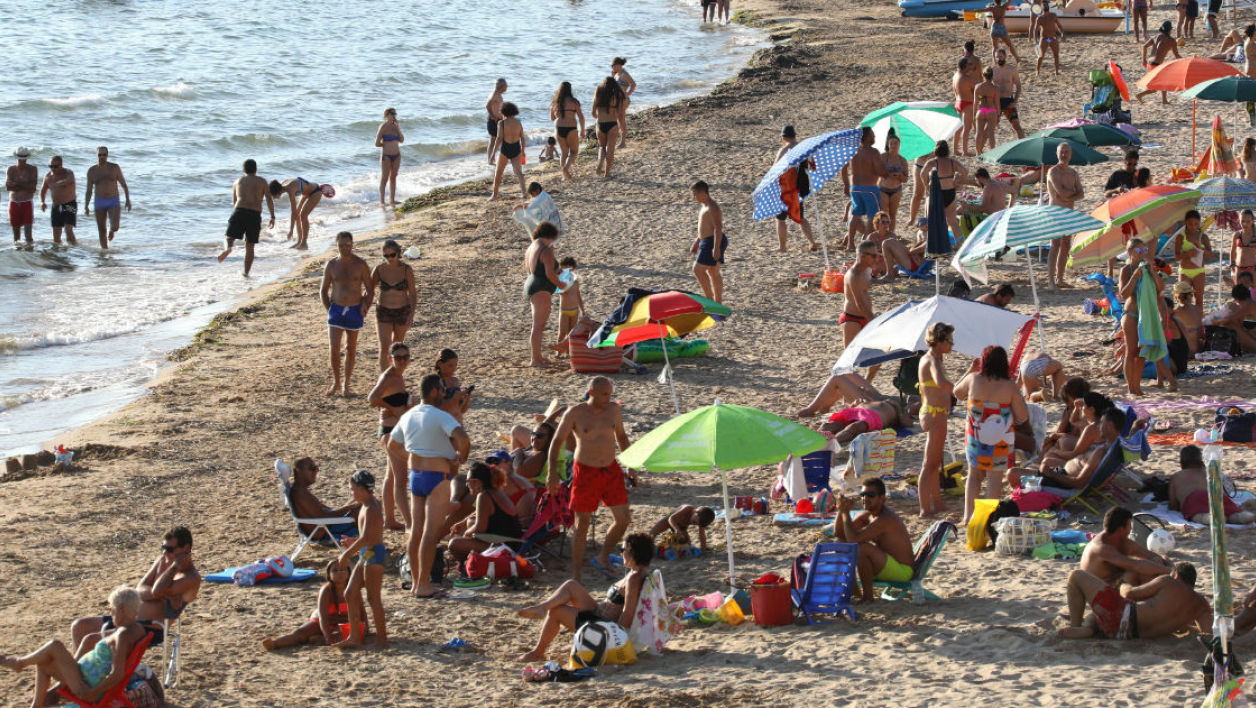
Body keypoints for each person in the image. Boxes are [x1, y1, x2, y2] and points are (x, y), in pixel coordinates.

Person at [389, 373, 470, 598]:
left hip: (417, 474)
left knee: (415, 531)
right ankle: (424, 585)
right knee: (430, 533)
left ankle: (416, 583)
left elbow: (392, 445)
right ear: (434, 391)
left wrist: (411, 458)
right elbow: (463, 438)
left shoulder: (409, 415)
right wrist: (460, 458)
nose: (445, 394)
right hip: (437, 476)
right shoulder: (439, 415)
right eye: (442, 390)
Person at [516, 533, 653, 661]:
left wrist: (616, 639)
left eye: (622, 549)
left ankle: (538, 652)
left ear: (632, 552)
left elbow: (628, 613)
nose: (621, 553)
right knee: (571, 585)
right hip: (600, 614)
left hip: (605, 625)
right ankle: (542, 608)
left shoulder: (634, 579)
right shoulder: (637, 573)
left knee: (556, 611)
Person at [548, 376, 633, 582]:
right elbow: (557, 441)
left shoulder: (613, 410)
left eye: (610, 394)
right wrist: (551, 473)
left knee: (623, 520)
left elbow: (621, 437)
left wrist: (630, 463)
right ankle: (576, 574)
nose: (608, 398)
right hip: (585, 471)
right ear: (592, 392)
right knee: (582, 523)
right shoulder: (575, 413)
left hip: (611, 469)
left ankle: (603, 556)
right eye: (604, 394)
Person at [5, 586, 146, 708]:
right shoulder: (136, 629)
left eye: (112, 609)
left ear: (121, 608)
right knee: (43, 661)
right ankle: (35, 704)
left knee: (55, 645)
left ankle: (19, 663)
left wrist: (93, 692)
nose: (110, 613)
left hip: (87, 686)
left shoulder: (122, 635)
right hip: (89, 678)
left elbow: (117, 673)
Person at [70, 527, 202, 652]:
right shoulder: (164, 559)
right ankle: (81, 674)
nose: (164, 553)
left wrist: (174, 567)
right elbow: (139, 590)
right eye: (163, 548)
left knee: (90, 640)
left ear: (186, 548)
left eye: (169, 549)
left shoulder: (191, 578)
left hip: (148, 628)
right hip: (126, 618)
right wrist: (163, 594)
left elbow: (157, 590)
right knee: (79, 626)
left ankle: (77, 675)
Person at [954, 346, 1028, 524]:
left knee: (973, 476)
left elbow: (957, 392)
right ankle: (985, 519)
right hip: (1000, 440)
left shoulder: (973, 379)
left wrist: (971, 370)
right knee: (994, 479)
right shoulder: (1009, 386)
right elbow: (1023, 416)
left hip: (975, 437)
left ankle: (967, 516)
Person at [1059, 563, 1211, 640]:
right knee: (1096, 615)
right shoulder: (1202, 605)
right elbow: (1208, 633)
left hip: (1121, 616)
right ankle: (1089, 629)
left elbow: (1130, 594)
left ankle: (1076, 625)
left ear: (1176, 576)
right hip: (1130, 635)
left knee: (1075, 576)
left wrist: (1123, 584)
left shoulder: (1168, 582)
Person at [833, 478, 915, 602]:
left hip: (902, 572)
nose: (865, 498)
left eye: (870, 495)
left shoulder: (885, 519)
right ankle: (855, 594)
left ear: (882, 498)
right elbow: (840, 534)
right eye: (863, 494)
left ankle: (868, 597)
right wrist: (841, 510)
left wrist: (845, 514)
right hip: (885, 564)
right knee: (840, 545)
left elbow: (853, 540)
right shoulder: (868, 514)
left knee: (862, 548)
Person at [332, 470, 387, 649]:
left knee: (373, 598)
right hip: (367, 552)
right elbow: (368, 536)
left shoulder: (371, 507)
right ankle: (354, 636)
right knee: (350, 593)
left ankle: (382, 640)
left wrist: (346, 554)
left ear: (363, 489)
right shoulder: (366, 505)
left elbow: (367, 538)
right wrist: (353, 543)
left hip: (373, 554)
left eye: (353, 489)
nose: (352, 493)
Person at [263, 560, 366, 650]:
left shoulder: (354, 590)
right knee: (300, 634)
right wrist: (328, 638)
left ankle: (319, 639)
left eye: (343, 569)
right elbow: (322, 617)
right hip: (323, 620)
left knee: (354, 633)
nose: (340, 573)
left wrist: (366, 629)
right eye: (335, 570)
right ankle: (275, 644)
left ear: (349, 572)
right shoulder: (326, 591)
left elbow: (362, 613)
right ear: (329, 575)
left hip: (343, 621)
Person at [320, 232, 373, 397]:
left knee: (351, 348)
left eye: (348, 244)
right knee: (334, 347)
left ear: (352, 244)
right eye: (342, 245)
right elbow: (323, 290)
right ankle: (336, 381)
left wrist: (365, 305)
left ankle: (346, 384)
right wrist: (329, 308)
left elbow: (370, 290)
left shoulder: (361, 264)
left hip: (354, 309)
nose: (345, 248)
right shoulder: (331, 264)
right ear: (336, 245)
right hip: (336, 309)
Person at [368, 343, 414, 530]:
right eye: (398, 358)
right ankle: (410, 523)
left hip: (393, 430)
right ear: (390, 358)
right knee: (401, 479)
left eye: (405, 357)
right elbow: (372, 398)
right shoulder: (388, 376)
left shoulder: (398, 376)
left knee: (392, 477)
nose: (402, 361)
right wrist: (392, 409)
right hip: (390, 433)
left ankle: (389, 519)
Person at [447, 461, 523, 565]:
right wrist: (464, 522)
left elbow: (480, 527)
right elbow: (479, 512)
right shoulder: (495, 491)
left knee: (454, 544)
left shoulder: (484, 496)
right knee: (470, 522)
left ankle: (466, 567)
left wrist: (466, 533)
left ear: (477, 482)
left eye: (468, 481)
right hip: (511, 541)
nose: (466, 484)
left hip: (506, 546)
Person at [1035, 407, 1125, 493]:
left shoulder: (1101, 452)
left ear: (1110, 426)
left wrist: (1051, 474)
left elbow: (1079, 483)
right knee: (1041, 465)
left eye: (1101, 423)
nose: (1099, 427)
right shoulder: (1112, 447)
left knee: (1026, 476)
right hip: (1063, 473)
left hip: (1065, 482)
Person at [1078, 506, 1170, 586]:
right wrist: (1168, 571)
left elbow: (1149, 555)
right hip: (1100, 593)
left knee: (1155, 562)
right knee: (1135, 573)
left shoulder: (1121, 540)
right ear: (1121, 529)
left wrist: (1163, 560)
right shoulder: (1101, 548)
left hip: (1114, 584)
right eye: (1130, 525)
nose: (1131, 529)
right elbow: (1137, 566)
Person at [917, 322, 955, 517]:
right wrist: (959, 390)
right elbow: (941, 383)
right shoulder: (932, 359)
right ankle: (925, 508)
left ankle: (937, 503)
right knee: (929, 464)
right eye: (949, 340)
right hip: (934, 413)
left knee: (935, 461)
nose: (952, 344)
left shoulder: (935, 358)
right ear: (939, 340)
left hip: (935, 412)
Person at [1117, 237, 1163, 395]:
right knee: (1131, 351)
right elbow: (1123, 294)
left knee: (1142, 353)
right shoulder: (1127, 270)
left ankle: (1137, 387)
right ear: (1130, 252)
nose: (1142, 253)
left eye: (1144, 250)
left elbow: (1160, 289)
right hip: (1131, 314)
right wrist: (1134, 277)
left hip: (1146, 315)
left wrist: (1153, 273)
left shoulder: (1148, 268)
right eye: (1138, 250)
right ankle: (1131, 387)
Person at [216, 159, 276, 276]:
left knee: (229, 238)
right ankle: (246, 273)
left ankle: (228, 248)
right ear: (256, 169)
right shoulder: (262, 181)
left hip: (239, 211)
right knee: (250, 246)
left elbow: (234, 201)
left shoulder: (237, 181)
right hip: (254, 214)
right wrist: (272, 216)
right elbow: (269, 199)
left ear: (243, 169)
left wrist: (236, 216)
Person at [1170, 444, 1256, 524]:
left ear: (1181, 463)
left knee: (1197, 516)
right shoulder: (1208, 472)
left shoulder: (1176, 476)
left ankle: (1209, 518)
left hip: (1193, 498)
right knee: (1231, 513)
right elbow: (1222, 493)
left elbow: (1173, 504)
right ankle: (1244, 517)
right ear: (1201, 461)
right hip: (1215, 495)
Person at [286, 456, 362, 539]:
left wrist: (349, 506)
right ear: (299, 471)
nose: (316, 471)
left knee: (358, 499)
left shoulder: (301, 491)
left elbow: (324, 512)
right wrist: (349, 507)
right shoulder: (300, 493)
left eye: (316, 468)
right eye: (312, 468)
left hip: (327, 526)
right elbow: (322, 516)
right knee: (362, 510)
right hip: (326, 532)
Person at [370, 239, 415, 372]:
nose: (389, 258)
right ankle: (384, 379)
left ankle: (396, 376)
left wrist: (411, 314)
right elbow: (369, 290)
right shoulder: (379, 269)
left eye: (392, 255)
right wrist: (363, 305)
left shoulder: (406, 270)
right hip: (383, 311)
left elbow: (412, 294)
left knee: (397, 347)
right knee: (384, 347)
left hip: (402, 311)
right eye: (386, 256)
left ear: (398, 253)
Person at [841, 126, 889, 248]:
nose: (874, 137)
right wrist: (886, 172)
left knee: (855, 215)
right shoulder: (873, 152)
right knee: (872, 216)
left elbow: (843, 168)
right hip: (870, 189)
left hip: (855, 187)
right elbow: (879, 170)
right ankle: (866, 243)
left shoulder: (853, 150)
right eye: (873, 135)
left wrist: (846, 185)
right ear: (867, 137)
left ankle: (850, 243)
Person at [1046, 143, 1084, 290]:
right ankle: (1051, 281)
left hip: (1068, 213)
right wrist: (1070, 195)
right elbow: (1060, 192)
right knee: (1055, 244)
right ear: (1057, 154)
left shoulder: (1073, 173)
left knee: (1066, 245)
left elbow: (1081, 194)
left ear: (1071, 154)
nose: (1064, 155)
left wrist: (1068, 197)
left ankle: (1060, 278)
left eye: (1066, 152)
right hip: (1055, 213)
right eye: (1062, 152)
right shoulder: (1052, 171)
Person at [524, 221, 561, 367]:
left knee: (537, 325)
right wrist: (561, 284)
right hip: (541, 288)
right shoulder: (545, 249)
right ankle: (535, 359)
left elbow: (533, 270)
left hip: (532, 285)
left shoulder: (530, 248)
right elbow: (549, 274)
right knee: (538, 326)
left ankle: (538, 357)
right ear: (550, 236)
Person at [775, 125, 818, 251]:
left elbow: (775, 169)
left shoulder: (784, 150)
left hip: (786, 188)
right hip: (800, 188)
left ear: (783, 137)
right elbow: (813, 166)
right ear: (794, 135)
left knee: (780, 218)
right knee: (801, 217)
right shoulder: (804, 149)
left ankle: (782, 247)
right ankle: (811, 242)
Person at [918, 140, 969, 245]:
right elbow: (965, 171)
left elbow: (922, 173)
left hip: (937, 193)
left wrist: (926, 185)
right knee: (953, 222)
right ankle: (960, 245)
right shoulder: (952, 162)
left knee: (932, 221)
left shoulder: (932, 162)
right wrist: (958, 181)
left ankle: (933, 244)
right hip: (950, 192)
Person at [83, 146, 130, 248]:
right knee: (101, 229)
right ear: (96, 155)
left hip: (113, 200)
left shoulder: (114, 168)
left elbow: (123, 184)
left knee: (115, 226)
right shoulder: (92, 171)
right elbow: (89, 190)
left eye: (104, 155)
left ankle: (112, 230)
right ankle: (104, 254)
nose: (102, 157)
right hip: (99, 201)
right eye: (100, 155)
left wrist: (128, 200)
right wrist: (86, 206)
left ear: (107, 155)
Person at [690, 180, 726, 304]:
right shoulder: (704, 206)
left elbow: (718, 228)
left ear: (704, 193)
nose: (694, 197)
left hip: (713, 241)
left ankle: (710, 301)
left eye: (695, 194)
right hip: (706, 240)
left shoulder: (713, 207)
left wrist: (716, 248)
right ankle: (717, 302)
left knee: (698, 269)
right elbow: (705, 227)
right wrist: (697, 242)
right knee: (713, 271)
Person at [841, 241, 878, 359]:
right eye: (873, 256)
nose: (876, 258)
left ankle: (868, 378)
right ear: (863, 256)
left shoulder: (865, 271)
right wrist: (874, 321)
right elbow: (859, 304)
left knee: (876, 357)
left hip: (865, 316)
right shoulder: (854, 275)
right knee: (849, 358)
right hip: (852, 319)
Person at [269, 176, 325, 250]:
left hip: (315, 192)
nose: (273, 197)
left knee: (303, 216)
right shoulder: (283, 185)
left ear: (278, 192)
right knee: (298, 215)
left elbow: (293, 212)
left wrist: (291, 230)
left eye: (273, 195)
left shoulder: (290, 190)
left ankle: (304, 243)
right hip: (307, 192)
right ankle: (299, 242)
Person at [1176, 209, 1214, 307]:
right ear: (1185, 223)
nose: (1193, 226)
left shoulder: (1203, 236)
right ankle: (1186, 321)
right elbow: (1176, 257)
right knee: (1183, 300)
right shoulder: (1181, 237)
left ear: (1199, 223)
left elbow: (1211, 255)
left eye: (1196, 224)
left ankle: (1198, 321)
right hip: (1184, 271)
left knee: (1199, 300)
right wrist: (1187, 254)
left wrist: (1202, 249)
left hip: (1199, 271)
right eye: (1190, 224)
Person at [490, 102, 528, 202]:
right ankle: (524, 193)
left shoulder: (501, 123)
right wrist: (523, 151)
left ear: (504, 111)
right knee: (519, 173)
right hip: (516, 148)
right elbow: (522, 138)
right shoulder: (518, 122)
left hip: (505, 149)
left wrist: (493, 154)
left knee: (498, 173)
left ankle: (494, 195)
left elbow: (499, 139)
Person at [1203, 284, 1256, 352]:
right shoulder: (1252, 303)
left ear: (1237, 299)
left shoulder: (1248, 305)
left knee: (1231, 324)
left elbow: (1229, 319)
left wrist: (1214, 321)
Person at [875, 212, 927, 280]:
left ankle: (890, 274)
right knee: (890, 241)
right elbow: (915, 250)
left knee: (886, 243)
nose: (922, 230)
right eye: (883, 222)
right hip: (915, 262)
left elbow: (912, 251)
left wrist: (911, 249)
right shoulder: (928, 240)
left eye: (887, 222)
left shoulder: (928, 242)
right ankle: (890, 272)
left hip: (914, 265)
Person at [1138, 22, 1181, 104]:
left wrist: (1143, 60)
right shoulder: (1171, 41)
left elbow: (1144, 46)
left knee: (1162, 82)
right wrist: (1186, 60)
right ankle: (1140, 95)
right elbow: (1177, 55)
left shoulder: (1155, 37)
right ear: (1169, 30)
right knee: (1157, 86)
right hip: (1156, 64)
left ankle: (1164, 100)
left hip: (1150, 63)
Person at [550, 81, 585, 181]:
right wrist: (582, 130)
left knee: (564, 152)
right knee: (574, 152)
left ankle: (564, 175)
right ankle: (565, 169)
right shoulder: (574, 102)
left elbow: (552, 118)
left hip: (558, 127)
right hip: (571, 127)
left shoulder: (555, 102)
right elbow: (581, 117)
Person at [592, 77, 627, 178]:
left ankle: (599, 166)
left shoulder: (598, 92)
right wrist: (622, 126)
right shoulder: (617, 95)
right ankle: (607, 173)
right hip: (612, 124)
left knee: (602, 147)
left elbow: (593, 113)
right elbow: (621, 114)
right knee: (610, 149)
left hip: (600, 124)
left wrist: (599, 116)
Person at [39, 154, 76, 245]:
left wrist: (59, 183)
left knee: (68, 229)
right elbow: (42, 191)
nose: (53, 169)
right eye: (51, 166)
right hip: (56, 206)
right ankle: (58, 255)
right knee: (56, 236)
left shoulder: (68, 172)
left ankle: (75, 248)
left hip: (69, 204)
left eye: (55, 166)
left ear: (61, 165)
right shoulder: (48, 177)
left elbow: (70, 180)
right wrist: (42, 202)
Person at [649, 505, 714, 553]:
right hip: (669, 521)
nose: (695, 524)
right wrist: (676, 529)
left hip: (682, 527)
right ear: (695, 511)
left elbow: (702, 536)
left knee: (687, 547)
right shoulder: (687, 509)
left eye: (696, 524)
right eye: (694, 522)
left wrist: (703, 550)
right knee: (651, 534)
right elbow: (671, 519)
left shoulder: (701, 520)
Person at [7, 147, 38, 245]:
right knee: (16, 236)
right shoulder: (11, 169)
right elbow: (8, 187)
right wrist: (25, 186)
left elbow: (32, 189)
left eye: (23, 159)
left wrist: (16, 184)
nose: (22, 161)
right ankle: (20, 257)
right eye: (21, 159)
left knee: (28, 235)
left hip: (27, 202)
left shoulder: (32, 169)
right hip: (14, 202)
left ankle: (29, 256)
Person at [879, 133, 910, 231]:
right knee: (883, 213)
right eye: (891, 143)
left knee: (893, 214)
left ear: (899, 145)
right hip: (883, 188)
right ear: (888, 145)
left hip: (896, 189)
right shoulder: (883, 157)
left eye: (895, 143)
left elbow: (906, 179)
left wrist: (900, 175)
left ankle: (891, 233)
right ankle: (882, 232)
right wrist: (888, 174)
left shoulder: (902, 160)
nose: (893, 145)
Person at [991, 49, 1024, 140]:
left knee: (1016, 125)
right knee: (990, 127)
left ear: (1005, 57)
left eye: (1000, 57)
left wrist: (1015, 101)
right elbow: (987, 86)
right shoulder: (993, 70)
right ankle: (980, 150)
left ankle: (1023, 144)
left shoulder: (1012, 70)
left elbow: (1018, 86)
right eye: (997, 57)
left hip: (1008, 100)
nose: (999, 59)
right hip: (996, 101)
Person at [433, 348, 472, 421]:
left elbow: (462, 410)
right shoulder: (436, 382)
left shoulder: (455, 381)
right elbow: (436, 409)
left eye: (455, 365)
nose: (454, 369)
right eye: (450, 365)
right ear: (440, 364)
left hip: (456, 423)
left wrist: (467, 398)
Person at [376, 107, 404, 205]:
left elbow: (402, 140)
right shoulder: (383, 127)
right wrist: (386, 144)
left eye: (395, 114)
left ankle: (392, 200)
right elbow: (377, 143)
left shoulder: (395, 127)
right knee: (384, 178)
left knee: (393, 177)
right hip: (386, 156)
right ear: (386, 115)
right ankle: (382, 201)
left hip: (397, 155)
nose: (394, 116)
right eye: (392, 114)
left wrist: (398, 127)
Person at [952, 58, 978, 157]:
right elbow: (975, 89)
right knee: (967, 128)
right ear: (965, 66)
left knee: (958, 128)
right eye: (969, 65)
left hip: (958, 101)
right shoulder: (966, 78)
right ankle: (964, 151)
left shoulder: (955, 76)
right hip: (967, 102)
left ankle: (955, 150)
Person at [1171, 279, 1204, 354]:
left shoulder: (1175, 311)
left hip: (1185, 352)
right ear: (1190, 295)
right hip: (1198, 349)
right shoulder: (1198, 309)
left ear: (1176, 296)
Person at [974, 68, 1001, 155]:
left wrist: (974, 114)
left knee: (979, 132)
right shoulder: (995, 88)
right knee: (991, 133)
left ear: (983, 75)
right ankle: (992, 152)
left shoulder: (978, 87)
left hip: (981, 110)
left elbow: (976, 102)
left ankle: (978, 152)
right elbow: (997, 103)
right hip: (991, 110)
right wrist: (998, 115)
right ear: (992, 76)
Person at [557, 256, 583, 344]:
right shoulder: (560, 280)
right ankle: (558, 352)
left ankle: (568, 351)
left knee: (571, 333)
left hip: (575, 310)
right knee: (562, 332)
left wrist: (582, 310)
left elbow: (578, 296)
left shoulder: (575, 281)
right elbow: (561, 292)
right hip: (564, 310)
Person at [611, 58, 635, 148]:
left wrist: (627, 94)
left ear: (618, 65)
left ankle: (622, 142)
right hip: (617, 100)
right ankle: (620, 142)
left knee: (620, 120)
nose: (612, 67)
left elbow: (633, 84)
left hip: (623, 100)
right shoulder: (617, 74)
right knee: (618, 120)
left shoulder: (624, 74)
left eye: (612, 66)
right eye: (611, 66)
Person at [1035, 4, 1064, 75]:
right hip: (1044, 38)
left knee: (1056, 55)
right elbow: (1035, 30)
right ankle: (1037, 71)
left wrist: (1062, 33)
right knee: (1041, 56)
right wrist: (1035, 41)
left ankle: (1056, 72)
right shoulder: (1040, 18)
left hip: (1053, 38)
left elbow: (1059, 25)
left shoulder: (1053, 15)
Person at [486, 78, 507, 165]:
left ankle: (496, 159)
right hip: (493, 121)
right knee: (493, 140)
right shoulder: (494, 94)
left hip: (498, 120)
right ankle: (490, 160)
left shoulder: (498, 94)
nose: (507, 88)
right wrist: (493, 116)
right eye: (506, 86)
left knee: (498, 140)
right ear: (502, 86)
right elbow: (487, 106)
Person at [1232, 208, 1256, 281]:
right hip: (1239, 268)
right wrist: (1232, 264)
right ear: (1239, 221)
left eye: (1248, 221)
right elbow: (1232, 251)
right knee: (1238, 290)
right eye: (1242, 221)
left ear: (1253, 221)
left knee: (1253, 290)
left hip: (1252, 268)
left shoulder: (1255, 235)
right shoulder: (1237, 235)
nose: (1245, 224)